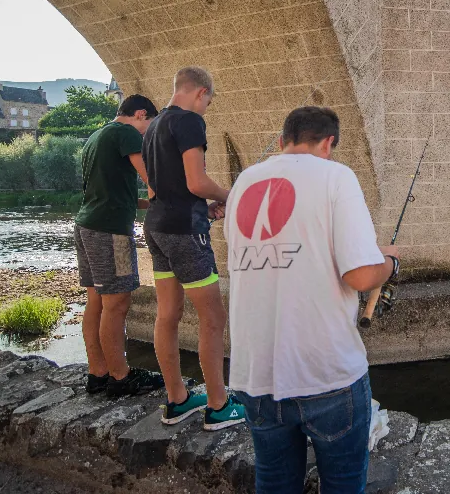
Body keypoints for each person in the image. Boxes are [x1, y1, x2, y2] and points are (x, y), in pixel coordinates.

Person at [226, 106, 399, 494]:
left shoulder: (244, 183)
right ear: (329, 142)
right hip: (326, 374)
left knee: (273, 483)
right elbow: (359, 276)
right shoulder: (336, 176)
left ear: (284, 139)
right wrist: (390, 262)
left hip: (255, 374)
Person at [143, 66, 245, 431]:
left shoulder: (153, 125)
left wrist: (204, 208)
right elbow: (197, 181)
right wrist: (231, 196)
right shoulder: (189, 122)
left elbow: (160, 190)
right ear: (201, 92)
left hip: (156, 227)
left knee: (167, 314)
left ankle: (177, 400)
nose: (206, 109)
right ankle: (219, 406)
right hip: (185, 233)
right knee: (213, 318)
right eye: (209, 102)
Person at [74, 94, 165, 397]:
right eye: (148, 126)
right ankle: (120, 377)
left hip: (87, 225)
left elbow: (114, 194)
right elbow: (152, 178)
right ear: (141, 114)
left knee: (97, 301)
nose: (146, 134)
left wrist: (149, 205)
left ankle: (97, 373)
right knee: (117, 303)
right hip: (110, 232)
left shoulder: (96, 136)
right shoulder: (126, 133)